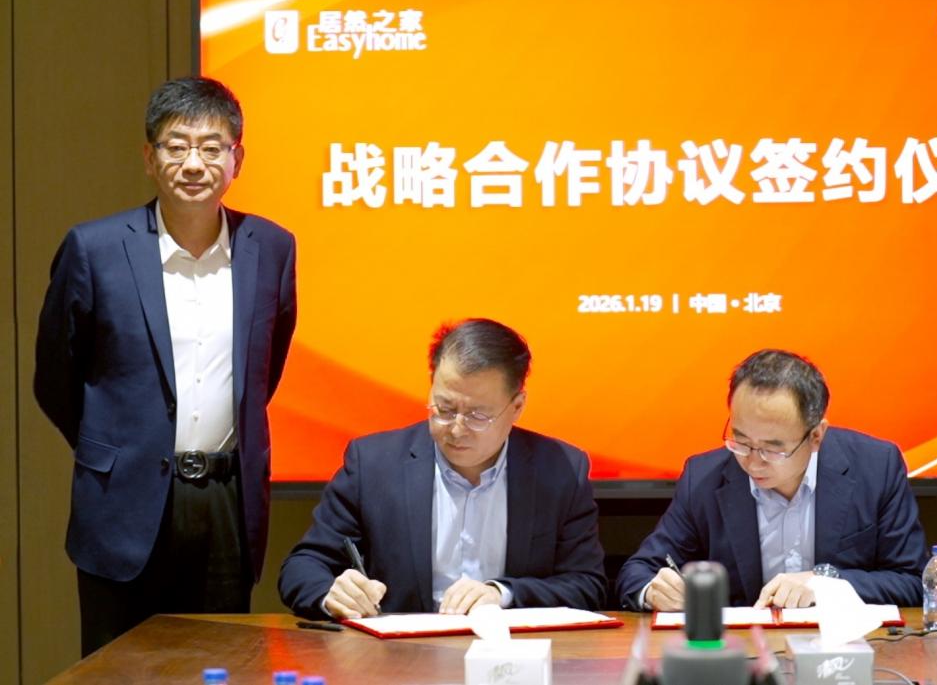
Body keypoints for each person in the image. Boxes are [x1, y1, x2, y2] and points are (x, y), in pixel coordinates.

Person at [34, 77, 298, 655]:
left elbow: (265, 371)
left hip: (226, 502)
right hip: (122, 499)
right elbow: (55, 376)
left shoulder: (272, 248)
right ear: (150, 158)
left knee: (219, 664)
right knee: (119, 670)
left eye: (211, 147)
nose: (194, 164)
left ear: (237, 160)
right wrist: (118, 445)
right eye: (176, 146)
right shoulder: (95, 249)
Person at [278, 318, 606, 619]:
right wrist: (332, 594)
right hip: (399, 655)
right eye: (444, 408)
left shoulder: (560, 470)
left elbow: (586, 585)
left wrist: (502, 594)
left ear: (517, 406)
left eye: (478, 416)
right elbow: (303, 566)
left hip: (512, 654)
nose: (457, 429)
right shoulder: (374, 464)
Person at [616, 349, 927, 611]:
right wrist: (653, 591)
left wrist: (826, 584)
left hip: (845, 648)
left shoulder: (875, 467)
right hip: (743, 651)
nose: (752, 462)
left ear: (816, 436)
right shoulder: (704, 477)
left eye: (772, 449)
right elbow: (638, 572)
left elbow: (913, 581)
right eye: (741, 441)